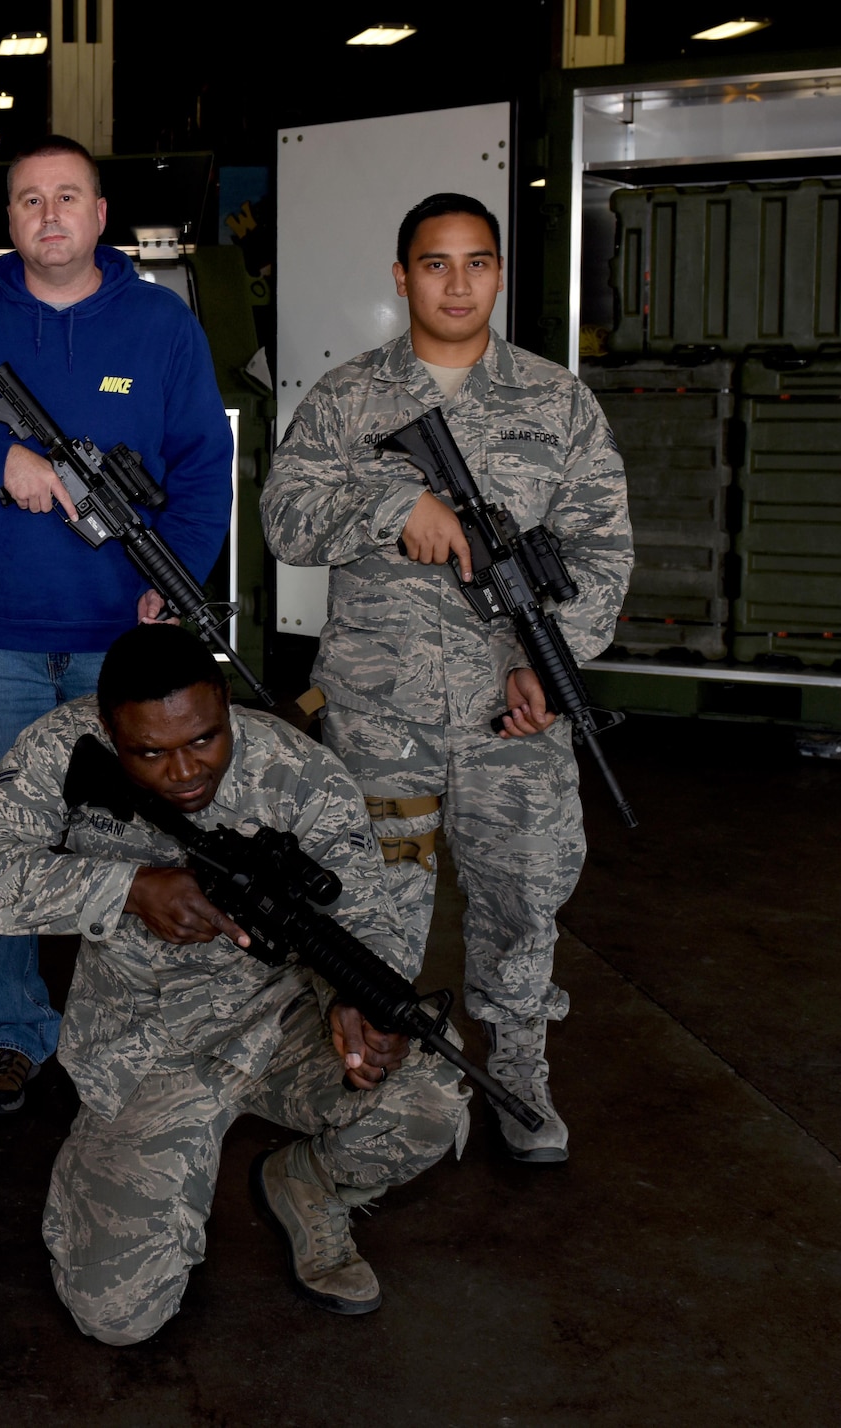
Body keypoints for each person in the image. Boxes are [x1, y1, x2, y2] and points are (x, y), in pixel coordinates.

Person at [0, 622, 468, 1344]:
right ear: (106, 726)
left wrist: (357, 1004)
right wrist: (126, 887)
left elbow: (366, 917)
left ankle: (306, 1181)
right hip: (145, 1047)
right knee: (117, 1316)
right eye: (149, 753)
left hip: (283, 1026)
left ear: (224, 702)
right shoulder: (64, 749)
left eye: (204, 740)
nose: (184, 773)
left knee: (429, 1094)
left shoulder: (300, 773)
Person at [260, 192, 633, 1163]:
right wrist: (393, 503)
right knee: (372, 907)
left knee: (520, 898)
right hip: (380, 715)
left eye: (475, 263)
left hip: (512, 718)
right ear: (400, 277)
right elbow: (282, 520)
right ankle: (380, 1082)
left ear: (498, 274)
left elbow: (602, 547)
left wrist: (551, 671)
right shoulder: (346, 398)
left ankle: (515, 1071)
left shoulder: (558, 404)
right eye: (434, 263)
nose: (456, 283)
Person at [0, 134, 234, 1114]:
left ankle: (122, 1028)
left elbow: (203, 466)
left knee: (131, 834)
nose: (48, 215)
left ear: (99, 215)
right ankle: (12, 1023)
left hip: (118, 638)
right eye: (28, 199)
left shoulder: (160, 326)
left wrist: (179, 577)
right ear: (8, 221)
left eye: (66, 196)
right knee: (3, 833)